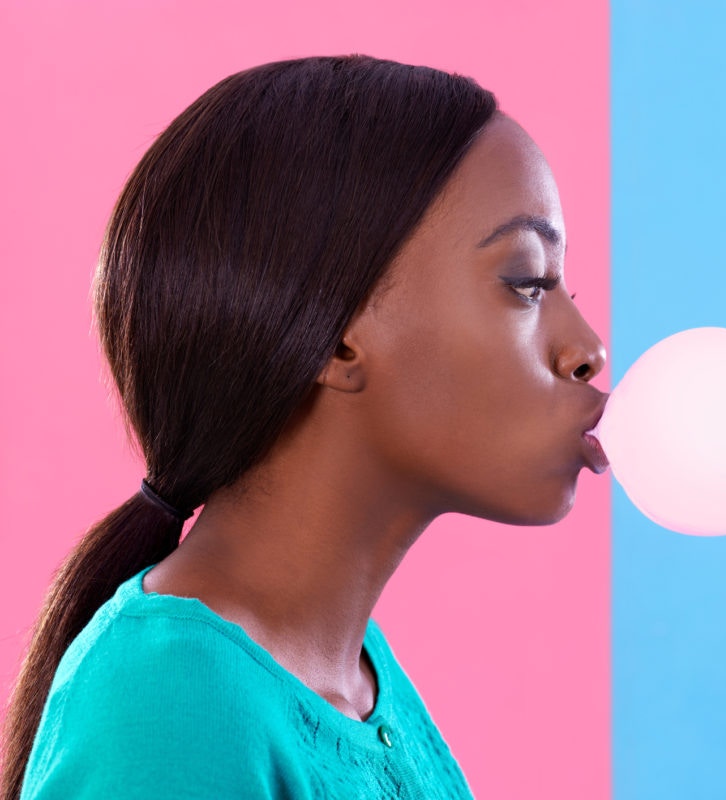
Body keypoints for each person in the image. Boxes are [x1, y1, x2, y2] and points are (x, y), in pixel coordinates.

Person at [1, 55, 607, 799]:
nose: (588, 350)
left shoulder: (356, 679)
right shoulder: (169, 705)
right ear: (335, 336)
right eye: (526, 281)